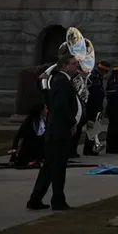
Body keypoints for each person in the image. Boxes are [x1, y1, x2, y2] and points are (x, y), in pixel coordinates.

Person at [28, 46, 83, 212]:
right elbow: (58, 107)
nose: (77, 66)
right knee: (58, 169)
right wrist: (72, 121)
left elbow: (49, 98)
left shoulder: (59, 81)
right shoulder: (61, 81)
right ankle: (58, 201)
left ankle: (35, 199)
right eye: (73, 63)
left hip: (56, 131)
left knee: (49, 168)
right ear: (65, 66)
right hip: (59, 132)